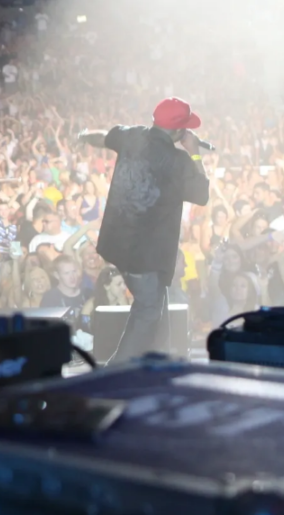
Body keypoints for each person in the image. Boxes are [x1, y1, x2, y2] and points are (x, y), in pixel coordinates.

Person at [78, 96, 209, 362]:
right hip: (145, 257)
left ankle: (161, 363)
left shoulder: (132, 135)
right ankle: (113, 376)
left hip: (117, 247)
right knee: (148, 312)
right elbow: (202, 194)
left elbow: (102, 137)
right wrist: (194, 152)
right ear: (179, 130)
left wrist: (82, 135)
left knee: (156, 307)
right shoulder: (179, 161)